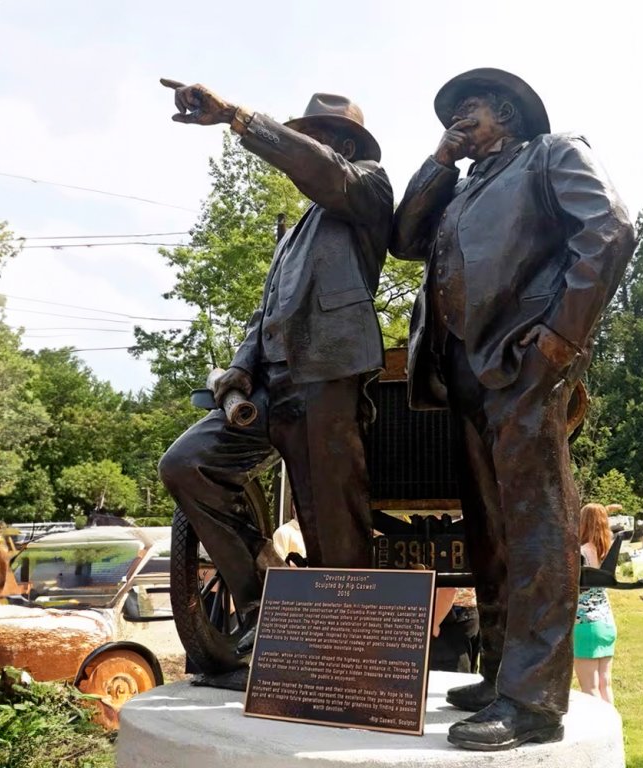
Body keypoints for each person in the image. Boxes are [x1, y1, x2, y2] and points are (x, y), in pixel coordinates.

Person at [391, 68, 635, 750]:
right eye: (451, 116)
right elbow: (405, 238)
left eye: (469, 111)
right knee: (490, 532)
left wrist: (560, 338)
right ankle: (500, 667)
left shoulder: (552, 154)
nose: (457, 123)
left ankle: (531, 702)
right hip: (464, 371)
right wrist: (440, 162)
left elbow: (610, 230)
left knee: (535, 529)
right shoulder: (462, 187)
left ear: (506, 114)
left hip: (526, 362)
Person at [158, 80, 393, 652]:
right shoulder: (294, 234)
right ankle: (265, 599)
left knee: (331, 524)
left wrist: (238, 117)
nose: (300, 146)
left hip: (326, 377)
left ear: (344, 145)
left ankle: (349, 650)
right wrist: (240, 367)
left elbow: (320, 171)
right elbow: (267, 314)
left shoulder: (367, 190)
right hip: (268, 387)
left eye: (312, 138)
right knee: (187, 464)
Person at [574, 503, 618, 705]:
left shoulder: (581, 553)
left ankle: (598, 732)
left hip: (585, 624)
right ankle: (613, 730)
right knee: (605, 685)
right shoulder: (609, 552)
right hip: (606, 621)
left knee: (589, 688)